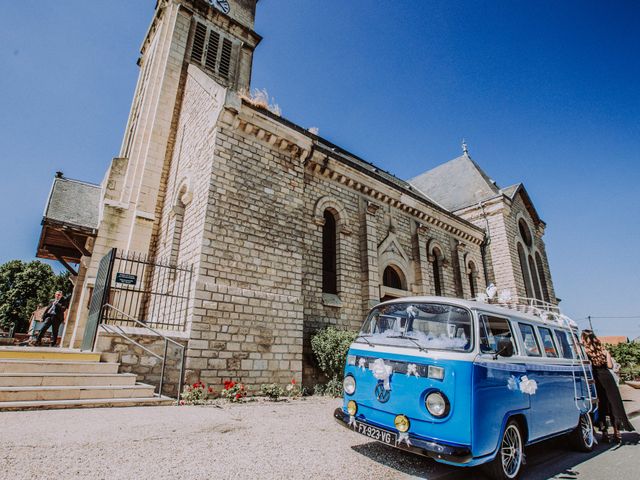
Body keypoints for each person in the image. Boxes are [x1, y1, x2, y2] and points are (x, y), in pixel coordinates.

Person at [581, 329, 635, 442]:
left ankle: (605, 433)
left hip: (596, 380)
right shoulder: (604, 350)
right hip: (608, 379)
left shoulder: (585, 352)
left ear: (584, 339)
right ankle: (617, 432)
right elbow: (610, 366)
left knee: (602, 406)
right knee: (613, 405)